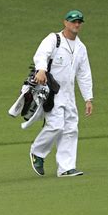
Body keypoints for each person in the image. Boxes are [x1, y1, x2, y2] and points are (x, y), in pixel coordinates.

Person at [30, 10, 93, 177]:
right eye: (73, 21)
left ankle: (66, 168)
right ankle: (38, 152)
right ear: (65, 22)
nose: (77, 24)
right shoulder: (54, 39)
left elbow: (84, 73)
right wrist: (41, 69)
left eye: (79, 21)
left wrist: (88, 98)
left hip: (69, 94)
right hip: (51, 92)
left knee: (71, 128)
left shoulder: (81, 48)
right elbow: (42, 54)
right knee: (56, 125)